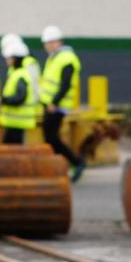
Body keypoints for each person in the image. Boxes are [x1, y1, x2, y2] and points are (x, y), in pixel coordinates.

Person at [40, 25, 87, 181]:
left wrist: (54, 102)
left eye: (47, 43)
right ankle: (58, 166)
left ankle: (76, 162)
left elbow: (65, 84)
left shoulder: (67, 58)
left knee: (52, 138)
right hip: (50, 105)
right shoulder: (54, 58)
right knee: (49, 137)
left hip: (57, 106)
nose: (45, 46)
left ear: (55, 42)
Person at [0, 39, 39, 144]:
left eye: (9, 58)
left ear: (14, 59)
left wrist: (3, 100)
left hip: (17, 121)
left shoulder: (20, 75)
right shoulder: (18, 73)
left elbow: (20, 97)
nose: (7, 60)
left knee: (11, 150)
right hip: (16, 121)